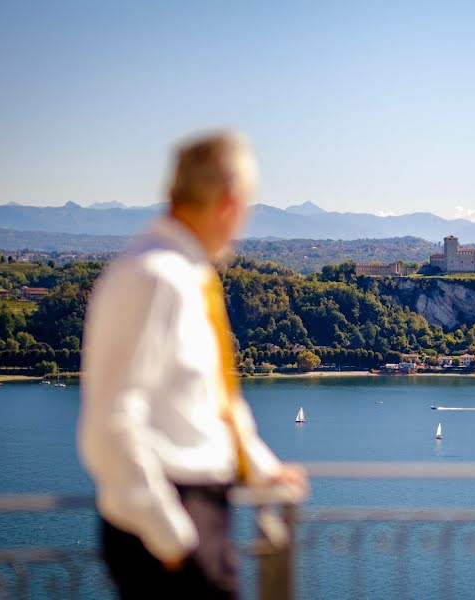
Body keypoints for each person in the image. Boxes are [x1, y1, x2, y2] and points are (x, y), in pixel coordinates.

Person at [78, 131, 307, 599]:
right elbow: (110, 422)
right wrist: (172, 536)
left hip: (194, 518)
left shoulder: (189, 275)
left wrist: (260, 468)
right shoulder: (152, 277)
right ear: (229, 203)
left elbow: (208, 399)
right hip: (172, 527)